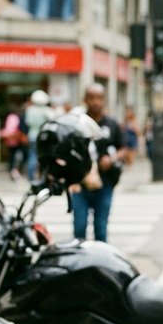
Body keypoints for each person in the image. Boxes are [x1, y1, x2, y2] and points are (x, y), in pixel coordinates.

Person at [71, 83, 124, 242]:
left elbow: (124, 149)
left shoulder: (112, 124)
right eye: (91, 98)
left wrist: (112, 159)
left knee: (101, 230)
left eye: (99, 98)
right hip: (81, 184)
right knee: (79, 229)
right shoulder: (77, 124)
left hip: (105, 183)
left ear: (104, 100)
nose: (95, 102)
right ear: (85, 100)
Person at [23, 89, 54, 180]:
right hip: (43, 136)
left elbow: (27, 122)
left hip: (32, 135)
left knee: (32, 155)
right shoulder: (47, 110)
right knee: (44, 157)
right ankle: (43, 176)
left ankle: (31, 177)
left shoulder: (30, 110)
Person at [0, 105, 28, 180]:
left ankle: (12, 169)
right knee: (18, 155)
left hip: (11, 139)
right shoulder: (15, 117)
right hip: (15, 139)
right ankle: (14, 170)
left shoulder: (10, 117)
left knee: (12, 155)